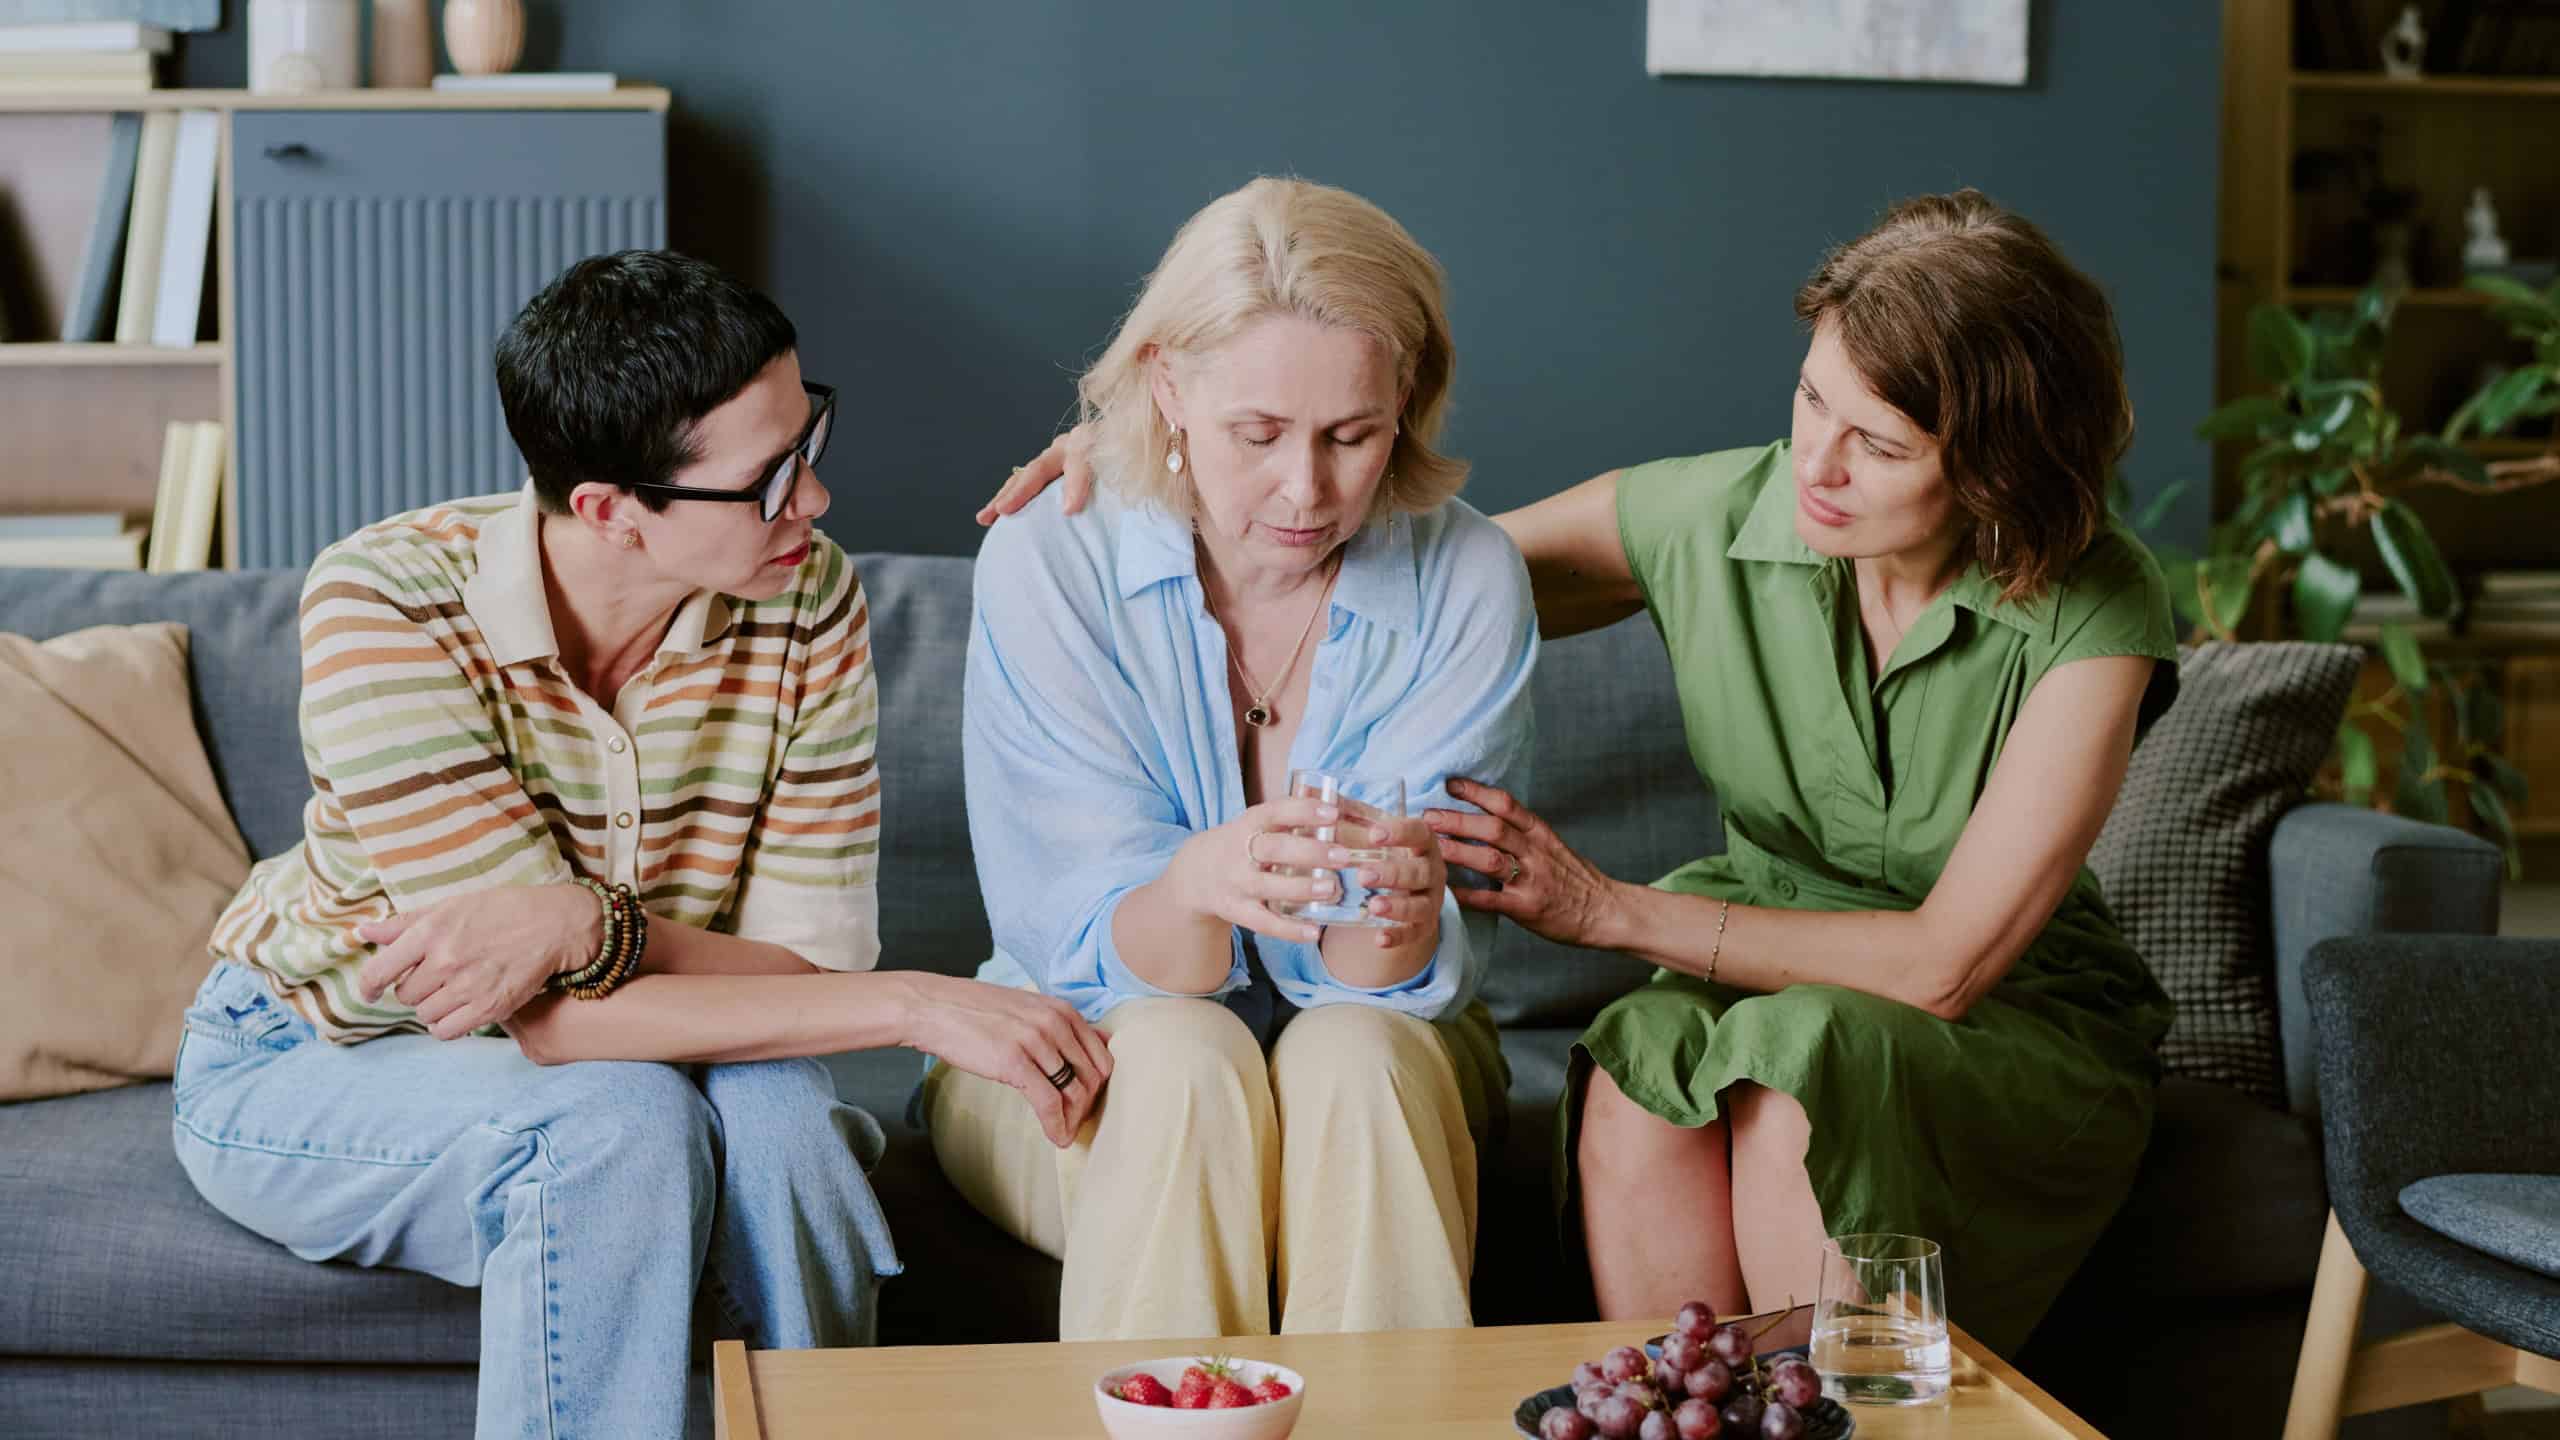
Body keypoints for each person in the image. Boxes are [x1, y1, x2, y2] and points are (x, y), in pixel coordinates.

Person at [982, 189, 2180, 1356]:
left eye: (1878, 443)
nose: (1816, 462)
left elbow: (1945, 963)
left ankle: (1829, 1407)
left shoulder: (2094, 603)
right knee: (1642, 1067)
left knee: (1792, 1070)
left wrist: (1606, 910)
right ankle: (1680, 1403)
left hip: (1981, 1003)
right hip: (1751, 977)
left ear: (1997, 467)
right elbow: (1381, 562)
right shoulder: (1721, 508)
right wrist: (1168, 449)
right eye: (1812, 401)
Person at [173, 250, 1110, 1439]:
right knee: (616, 1123)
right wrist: (917, 1005)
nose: (813, 504)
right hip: (315, 1052)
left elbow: (801, 976)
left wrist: (579, 922)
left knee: (780, 1123)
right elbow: (556, 1025)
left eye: (806, 444)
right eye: (767, 482)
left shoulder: (804, 595)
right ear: (612, 512)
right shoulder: (386, 602)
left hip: (651, 1042)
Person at [933, 177, 1537, 1341]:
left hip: (1379, 1053)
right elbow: (1084, 946)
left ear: (1403, 398)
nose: (1305, 491)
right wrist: (1192, 889)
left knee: (1355, 1058)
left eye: (1350, 436)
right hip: (1076, 1044)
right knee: (1178, 1057)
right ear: (1165, 382)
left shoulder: (1466, 578)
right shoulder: (1051, 559)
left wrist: (1399, 921)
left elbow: (1370, 979)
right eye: (1255, 435)